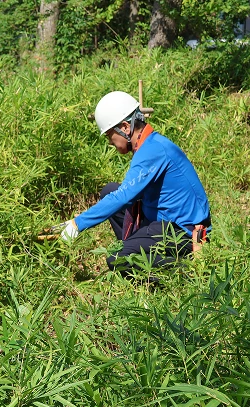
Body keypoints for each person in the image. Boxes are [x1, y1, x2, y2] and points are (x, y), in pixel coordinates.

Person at [52, 91, 211, 279]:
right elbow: (121, 194)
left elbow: (124, 196)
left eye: (110, 136)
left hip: (181, 231)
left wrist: (77, 224)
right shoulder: (149, 144)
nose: (110, 143)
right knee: (109, 190)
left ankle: (187, 270)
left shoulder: (153, 151)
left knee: (117, 260)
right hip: (161, 220)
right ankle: (136, 246)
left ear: (125, 128)